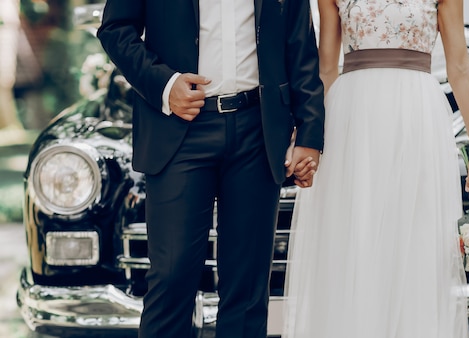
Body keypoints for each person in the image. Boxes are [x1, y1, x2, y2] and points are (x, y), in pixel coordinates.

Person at [97, 1, 325, 337]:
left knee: (248, 286)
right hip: (179, 128)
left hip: (257, 129)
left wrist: (309, 133)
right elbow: (115, 29)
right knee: (172, 275)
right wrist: (164, 84)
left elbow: (300, 43)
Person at [283, 0, 469, 337]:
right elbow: (325, 69)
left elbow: (460, 66)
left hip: (417, 116)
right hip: (353, 120)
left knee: (417, 239)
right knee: (355, 236)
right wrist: (308, 135)